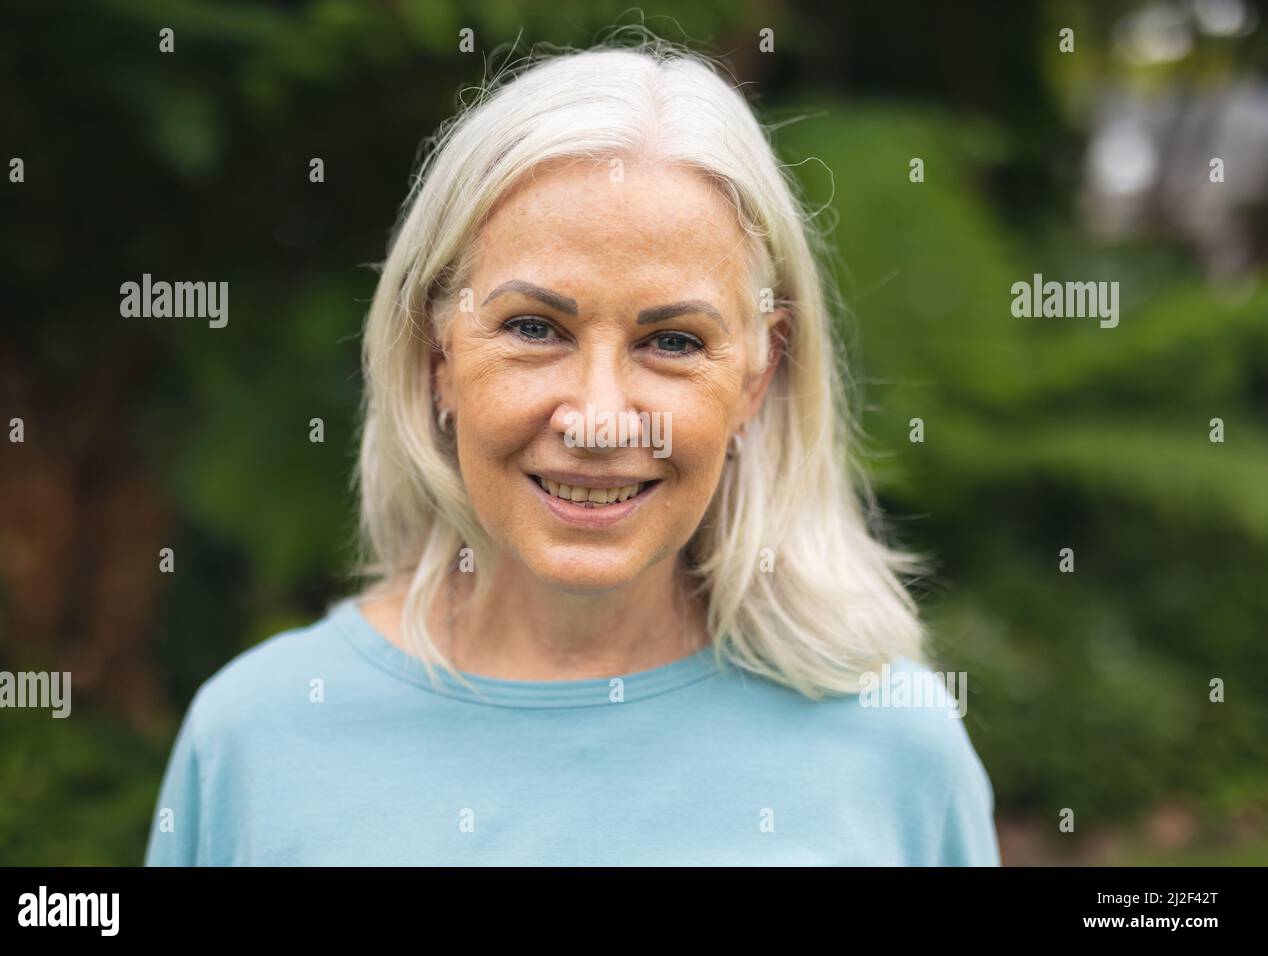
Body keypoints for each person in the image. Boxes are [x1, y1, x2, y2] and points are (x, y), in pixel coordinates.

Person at [145, 35, 1000, 866]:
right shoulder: (258, 738)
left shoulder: (892, 746)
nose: (598, 421)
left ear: (756, 375)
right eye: (533, 328)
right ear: (438, 357)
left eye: (672, 341)